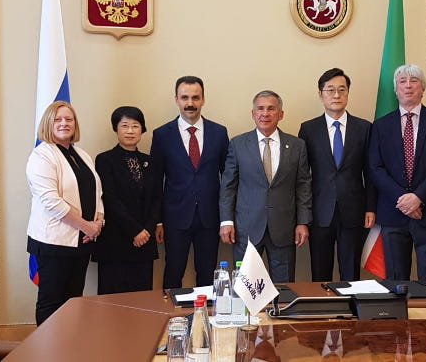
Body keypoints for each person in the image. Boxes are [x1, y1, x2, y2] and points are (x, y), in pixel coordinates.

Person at [369, 64, 426, 281]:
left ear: (422, 88)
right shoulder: (380, 125)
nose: (408, 85)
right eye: (402, 81)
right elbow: (375, 168)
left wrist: (418, 197)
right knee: (396, 280)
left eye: (414, 81)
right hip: (393, 211)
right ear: (395, 89)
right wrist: (404, 199)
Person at [219, 90, 312, 283]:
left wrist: (303, 222)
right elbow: (228, 186)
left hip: (284, 228)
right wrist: (226, 221)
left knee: (283, 287)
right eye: (260, 109)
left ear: (281, 114)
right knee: (246, 288)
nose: (265, 113)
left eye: (271, 109)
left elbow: (303, 186)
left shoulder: (297, 145)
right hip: (246, 228)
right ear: (253, 114)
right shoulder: (238, 144)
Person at [26, 101, 104, 325]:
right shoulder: (41, 156)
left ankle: (70, 343)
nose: (64, 123)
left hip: (82, 241)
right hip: (53, 242)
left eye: (69, 119)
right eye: (58, 119)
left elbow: (97, 193)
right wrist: (86, 226)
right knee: (52, 301)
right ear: (48, 123)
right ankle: (48, 346)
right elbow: (51, 201)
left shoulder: (82, 154)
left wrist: (98, 222)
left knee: (74, 300)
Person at [150, 76, 229, 288]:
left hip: (210, 217)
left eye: (195, 97)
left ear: (203, 99)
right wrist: (158, 221)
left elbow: (228, 178)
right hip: (175, 217)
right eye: (185, 97)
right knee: (173, 271)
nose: (190, 103)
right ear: (176, 99)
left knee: (207, 272)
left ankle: (207, 310)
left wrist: (227, 218)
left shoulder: (219, 133)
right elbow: (155, 181)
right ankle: (169, 309)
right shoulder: (161, 135)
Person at [298, 68, 376, 281]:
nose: (336, 95)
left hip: (354, 212)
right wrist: (303, 215)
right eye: (330, 90)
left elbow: (370, 172)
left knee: (351, 274)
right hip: (319, 212)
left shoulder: (364, 128)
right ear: (320, 94)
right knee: (320, 274)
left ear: (348, 93)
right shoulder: (308, 129)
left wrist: (370, 207)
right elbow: (302, 176)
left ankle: (350, 304)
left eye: (342, 90)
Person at [93, 106, 160, 294]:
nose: (130, 131)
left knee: (141, 298)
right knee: (112, 300)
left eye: (135, 126)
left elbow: (157, 198)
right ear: (116, 128)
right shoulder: (105, 160)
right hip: (115, 241)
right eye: (124, 125)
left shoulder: (151, 162)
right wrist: (135, 231)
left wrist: (147, 230)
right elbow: (110, 199)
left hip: (144, 242)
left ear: (142, 130)